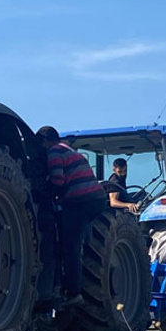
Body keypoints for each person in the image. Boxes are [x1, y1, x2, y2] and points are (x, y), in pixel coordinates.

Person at [37, 125, 109, 309]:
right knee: (77, 237)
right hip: (97, 199)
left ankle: (73, 293)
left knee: (70, 247)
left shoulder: (54, 151)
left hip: (79, 201)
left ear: (45, 141)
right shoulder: (70, 151)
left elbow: (58, 180)